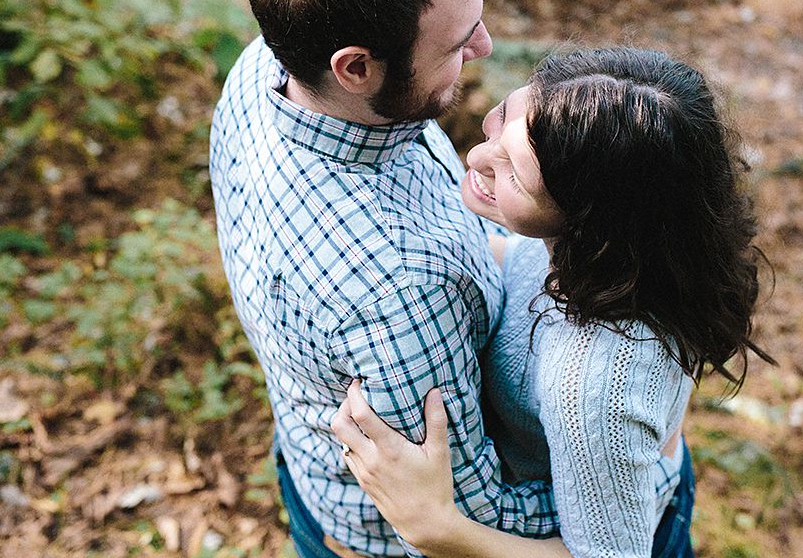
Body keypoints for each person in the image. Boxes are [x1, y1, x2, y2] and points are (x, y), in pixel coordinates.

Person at [209, 0, 561, 558]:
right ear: (356, 69)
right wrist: (639, 475)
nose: (484, 48)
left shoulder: (266, 67)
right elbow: (474, 511)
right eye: (458, 42)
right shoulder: (399, 291)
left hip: (311, 470)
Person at [331, 47, 773, 558]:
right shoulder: (634, 255)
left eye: (515, 174)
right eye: (500, 122)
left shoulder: (591, 381)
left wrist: (439, 528)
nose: (476, 157)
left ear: (592, 225)